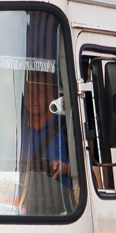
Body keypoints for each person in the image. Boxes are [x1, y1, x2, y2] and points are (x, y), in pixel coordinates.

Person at [18, 75, 75, 215]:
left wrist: (66, 168)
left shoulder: (67, 128)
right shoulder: (17, 131)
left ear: (54, 94)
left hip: (61, 213)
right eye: (29, 92)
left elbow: (90, 171)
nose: (33, 98)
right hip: (18, 209)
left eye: (40, 92)